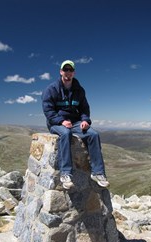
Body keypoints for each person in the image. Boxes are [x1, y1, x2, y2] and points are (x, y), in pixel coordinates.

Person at [42, 59, 109, 189]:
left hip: (75, 122)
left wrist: (85, 120)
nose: (68, 72)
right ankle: (65, 174)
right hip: (56, 123)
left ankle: (98, 173)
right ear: (61, 72)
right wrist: (61, 121)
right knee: (65, 133)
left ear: (74, 73)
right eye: (65, 70)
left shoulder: (79, 90)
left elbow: (84, 108)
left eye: (70, 70)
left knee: (93, 134)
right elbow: (48, 110)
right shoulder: (51, 89)